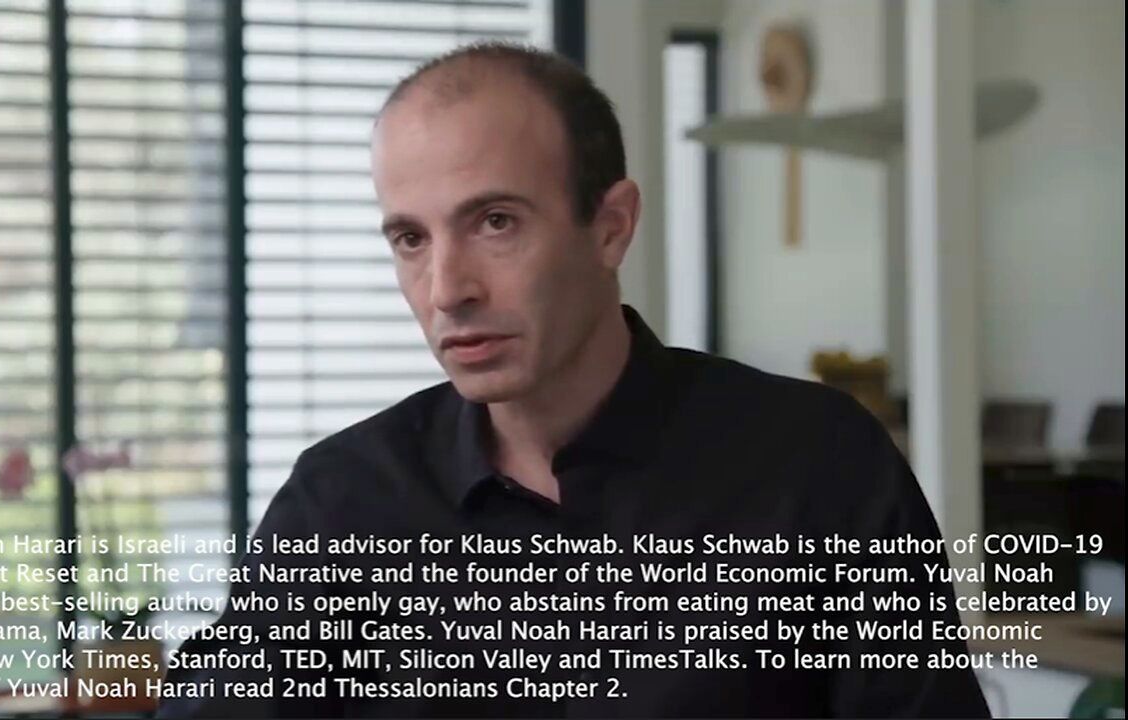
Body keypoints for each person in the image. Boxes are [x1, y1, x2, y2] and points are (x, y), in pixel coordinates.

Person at [157, 42, 989, 718]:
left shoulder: (819, 468)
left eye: (495, 222)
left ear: (611, 226)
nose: (447, 289)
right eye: (411, 239)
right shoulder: (340, 502)